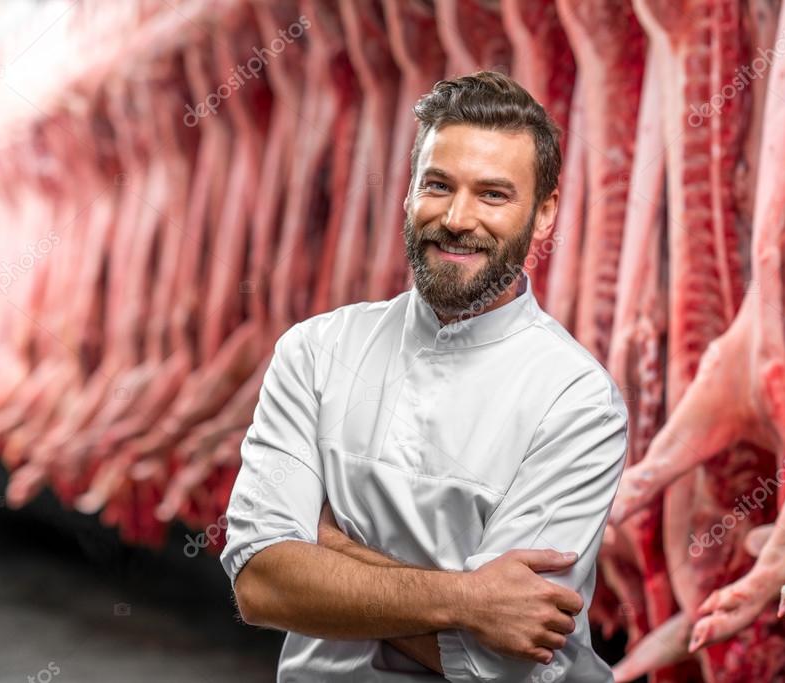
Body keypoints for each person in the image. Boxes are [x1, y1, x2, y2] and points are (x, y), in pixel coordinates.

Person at [220, 70, 628, 682]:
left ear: (544, 216)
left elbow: (503, 657)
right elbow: (261, 584)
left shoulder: (576, 400)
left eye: (493, 195)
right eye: (438, 185)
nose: (458, 218)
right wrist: (470, 600)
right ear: (408, 192)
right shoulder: (315, 351)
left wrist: (326, 552)